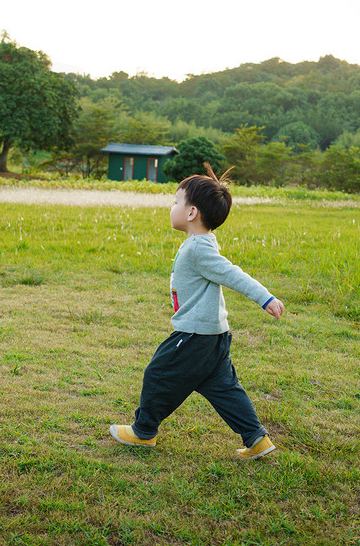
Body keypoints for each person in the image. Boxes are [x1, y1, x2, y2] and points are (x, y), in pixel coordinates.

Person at [109, 164, 285, 459]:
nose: (172, 206)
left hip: (194, 336)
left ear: (191, 213)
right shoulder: (199, 243)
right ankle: (257, 439)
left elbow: (232, 274)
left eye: (176, 201)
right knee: (224, 388)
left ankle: (143, 432)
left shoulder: (198, 249)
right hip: (214, 337)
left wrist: (264, 298)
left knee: (157, 374)